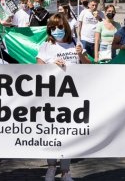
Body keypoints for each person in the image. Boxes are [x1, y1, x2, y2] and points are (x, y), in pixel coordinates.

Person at [36, 14, 88, 181]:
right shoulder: (46, 45)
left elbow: (89, 67)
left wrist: (81, 55)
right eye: (53, 28)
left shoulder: (75, 44)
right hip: (52, 97)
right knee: (52, 133)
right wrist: (52, 66)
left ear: (66, 27)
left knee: (68, 134)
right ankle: (51, 167)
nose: (56, 31)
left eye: (59, 27)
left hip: (73, 97)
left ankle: (66, 170)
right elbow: (38, 68)